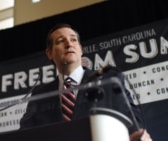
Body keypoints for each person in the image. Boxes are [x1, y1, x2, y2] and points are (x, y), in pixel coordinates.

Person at [20, 23, 152, 141]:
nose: (69, 44)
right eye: (61, 41)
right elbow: (24, 135)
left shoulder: (108, 80)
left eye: (73, 40)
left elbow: (134, 122)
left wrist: (138, 135)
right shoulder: (39, 95)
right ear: (49, 53)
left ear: (80, 49)